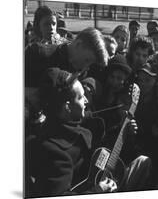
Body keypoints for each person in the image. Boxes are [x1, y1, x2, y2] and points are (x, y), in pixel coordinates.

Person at [25, 68, 117, 198]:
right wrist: (97, 191)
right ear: (67, 107)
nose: (86, 100)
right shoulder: (57, 153)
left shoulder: (65, 126)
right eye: (80, 97)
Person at [25, 27, 109, 87]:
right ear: (78, 44)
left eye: (90, 64)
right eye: (86, 60)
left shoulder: (81, 71)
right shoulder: (36, 54)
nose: (86, 67)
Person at [25, 5, 68, 87]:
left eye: (54, 24)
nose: (51, 27)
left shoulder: (63, 44)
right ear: (38, 26)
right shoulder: (31, 49)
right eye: (46, 24)